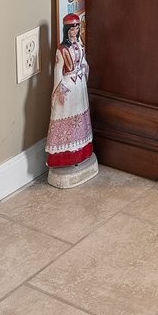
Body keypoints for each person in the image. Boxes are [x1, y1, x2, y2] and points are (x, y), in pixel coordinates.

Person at [46, 13, 99, 188]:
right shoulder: (62, 50)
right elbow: (58, 70)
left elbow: (83, 62)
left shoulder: (80, 45)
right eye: (72, 28)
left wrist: (84, 69)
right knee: (68, 120)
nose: (75, 31)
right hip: (69, 87)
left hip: (79, 84)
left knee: (81, 117)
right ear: (67, 30)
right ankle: (65, 156)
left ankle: (82, 152)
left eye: (77, 28)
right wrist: (59, 89)